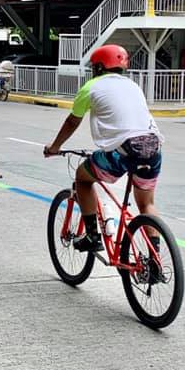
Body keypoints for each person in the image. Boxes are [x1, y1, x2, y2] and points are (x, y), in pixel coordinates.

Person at [44, 45, 163, 254]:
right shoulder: (133, 86)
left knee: (82, 178)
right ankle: (154, 261)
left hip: (122, 150)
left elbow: (73, 121)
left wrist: (55, 147)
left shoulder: (91, 87)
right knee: (147, 205)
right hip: (153, 148)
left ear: (99, 67)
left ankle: (91, 235)